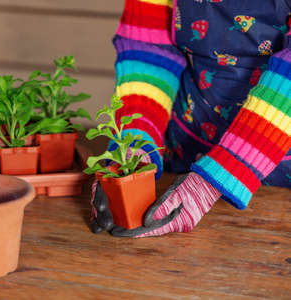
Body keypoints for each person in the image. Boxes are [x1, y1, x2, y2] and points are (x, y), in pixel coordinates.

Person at [91, 0, 291, 237]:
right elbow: (149, 49)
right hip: (184, 159)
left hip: (279, 185)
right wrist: (134, 145)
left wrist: (213, 181)